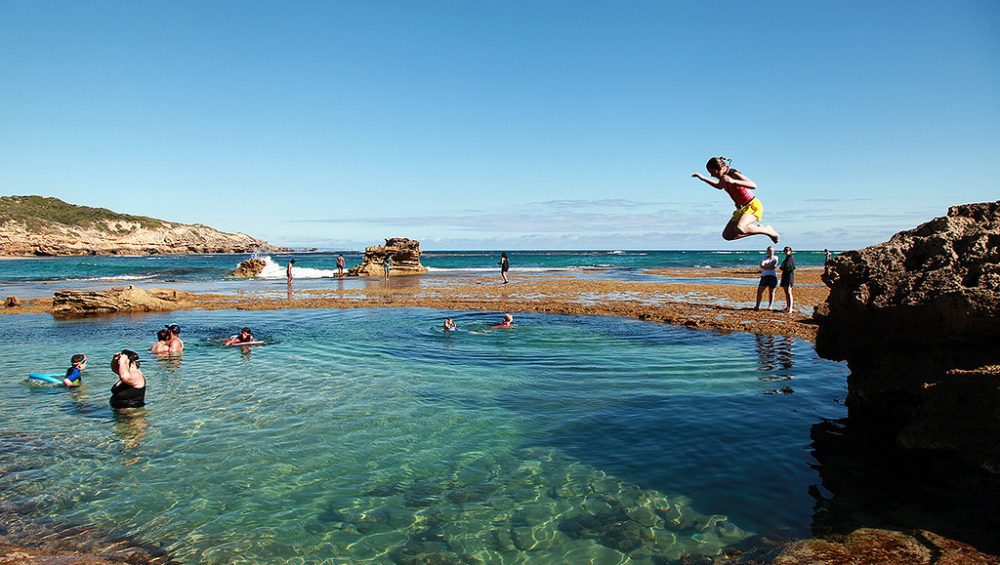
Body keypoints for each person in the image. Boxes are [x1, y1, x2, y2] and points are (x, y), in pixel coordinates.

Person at [692, 156, 780, 243]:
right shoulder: (723, 177)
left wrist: (733, 181)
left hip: (752, 205)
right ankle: (760, 229)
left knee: (740, 228)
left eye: (713, 172)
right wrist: (703, 179)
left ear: (721, 168)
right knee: (727, 235)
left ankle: (767, 230)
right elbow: (719, 186)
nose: (712, 175)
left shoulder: (732, 174)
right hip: (741, 209)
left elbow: (753, 185)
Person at [754, 246, 779, 311]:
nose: (771, 252)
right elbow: (762, 265)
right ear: (767, 252)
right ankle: (757, 305)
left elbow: (772, 266)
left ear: (774, 252)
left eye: (772, 251)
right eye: (769, 251)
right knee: (759, 291)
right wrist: (766, 266)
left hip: (772, 277)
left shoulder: (775, 258)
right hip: (764, 276)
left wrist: (765, 266)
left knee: (771, 292)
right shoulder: (764, 258)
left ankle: (770, 306)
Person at [780, 246, 796, 313]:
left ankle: (790, 308)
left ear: (790, 251)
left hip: (789, 277)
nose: (786, 251)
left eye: (788, 250)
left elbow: (792, 268)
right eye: (785, 250)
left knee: (789, 292)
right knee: (786, 293)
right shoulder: (787, 258)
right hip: (785, 276)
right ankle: (788, 306)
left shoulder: (790, 258)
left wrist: (783, 267)